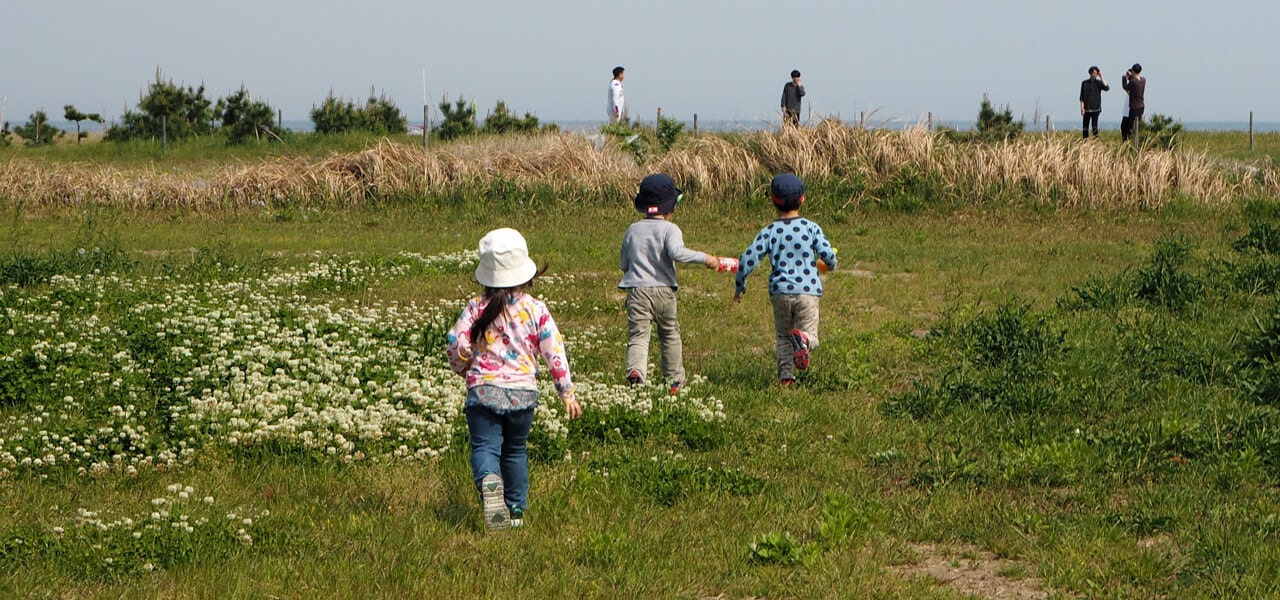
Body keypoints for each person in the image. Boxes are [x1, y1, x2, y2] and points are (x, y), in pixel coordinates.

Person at [446, 228, 582, 531]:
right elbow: (554, 352)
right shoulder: (536, 309)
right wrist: (566, 393)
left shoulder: (476, 307)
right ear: (526, 273)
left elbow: (456, 341)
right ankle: (516, 510)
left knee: (485, 447)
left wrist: (461, 366)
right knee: (515, 451)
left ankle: (489, 482)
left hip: (483, 392)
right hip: (522, 394)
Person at [620, 173, 721, 394]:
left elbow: (624, 265)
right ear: (670, 206)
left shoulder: (632, 230)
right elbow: (677, 253)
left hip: (637, 292)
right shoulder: (670, 229)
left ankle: (636, 373)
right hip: (664, 291)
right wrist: (706, 258)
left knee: (638, 336)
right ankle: (675, 381)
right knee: (669, 335)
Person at [734, 173, 837, 386]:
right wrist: (832, 263)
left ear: (773, 201)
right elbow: (827, 254)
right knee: (810, 334)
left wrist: (740, 285)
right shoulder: (811, 227)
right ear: (802, 199)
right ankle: (805, 340)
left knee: (783, 337)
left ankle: (786, 378)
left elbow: (747, 259)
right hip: (807, 291)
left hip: (780, 292)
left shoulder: (770, 231)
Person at [1079, 66, 1109, 139]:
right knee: (1085, 127)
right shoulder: (1084, 83)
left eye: (1096, 73)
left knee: (1094, 126)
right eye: (1093, 73)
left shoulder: (1099, 83)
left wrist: (1101, 76)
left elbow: (1107, 87)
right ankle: (1085, 141)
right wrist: (1082, 108)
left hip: (1096, 108)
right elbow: (1082, 96)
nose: (1094, 75)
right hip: (1087, 108)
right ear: (1090, 73)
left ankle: (1096, 140)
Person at [1121, 63, 1146, 142]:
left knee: (1130, 126)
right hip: (1141, 105)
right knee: (1137, 125)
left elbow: (1125, 87)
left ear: (1133, 71)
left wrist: (1124, 78)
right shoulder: (1143, 80)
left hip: (1134, 106)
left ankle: (1129, 141)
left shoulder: (1133, 81)